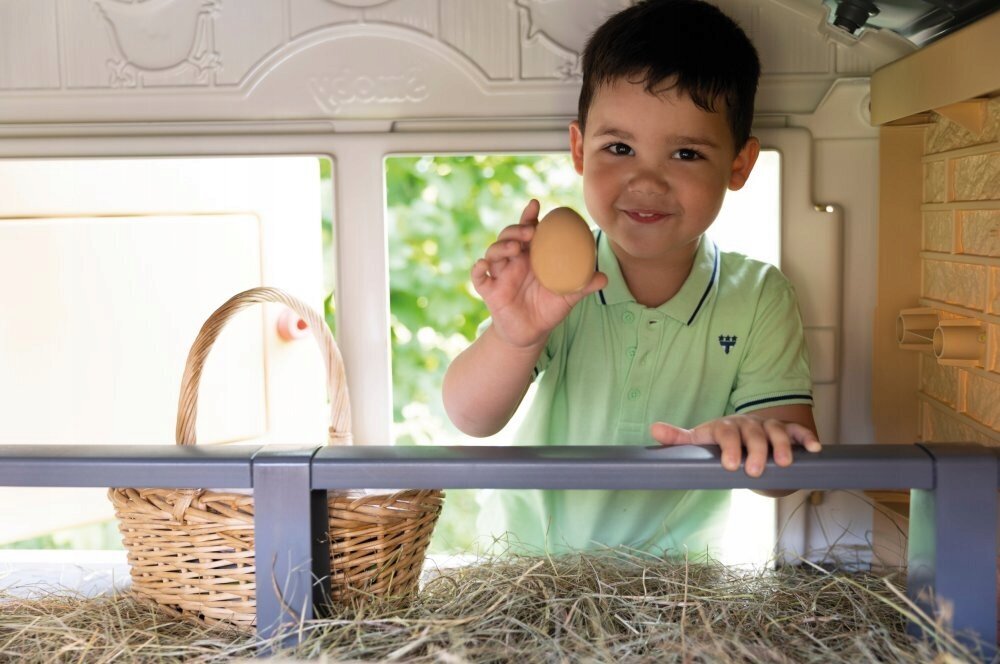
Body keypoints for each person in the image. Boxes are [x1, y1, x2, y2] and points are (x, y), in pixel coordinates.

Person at [442, 0, 820, 555]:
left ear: (738, 165)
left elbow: (793, 467)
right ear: (579, 148)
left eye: (686, 153)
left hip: (683, 590)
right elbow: (470, 417)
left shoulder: (759, 296)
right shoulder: (556, 284)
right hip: (528, 571)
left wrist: (752, 439)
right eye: (619, 148)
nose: (646, 181)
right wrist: (514, 334)